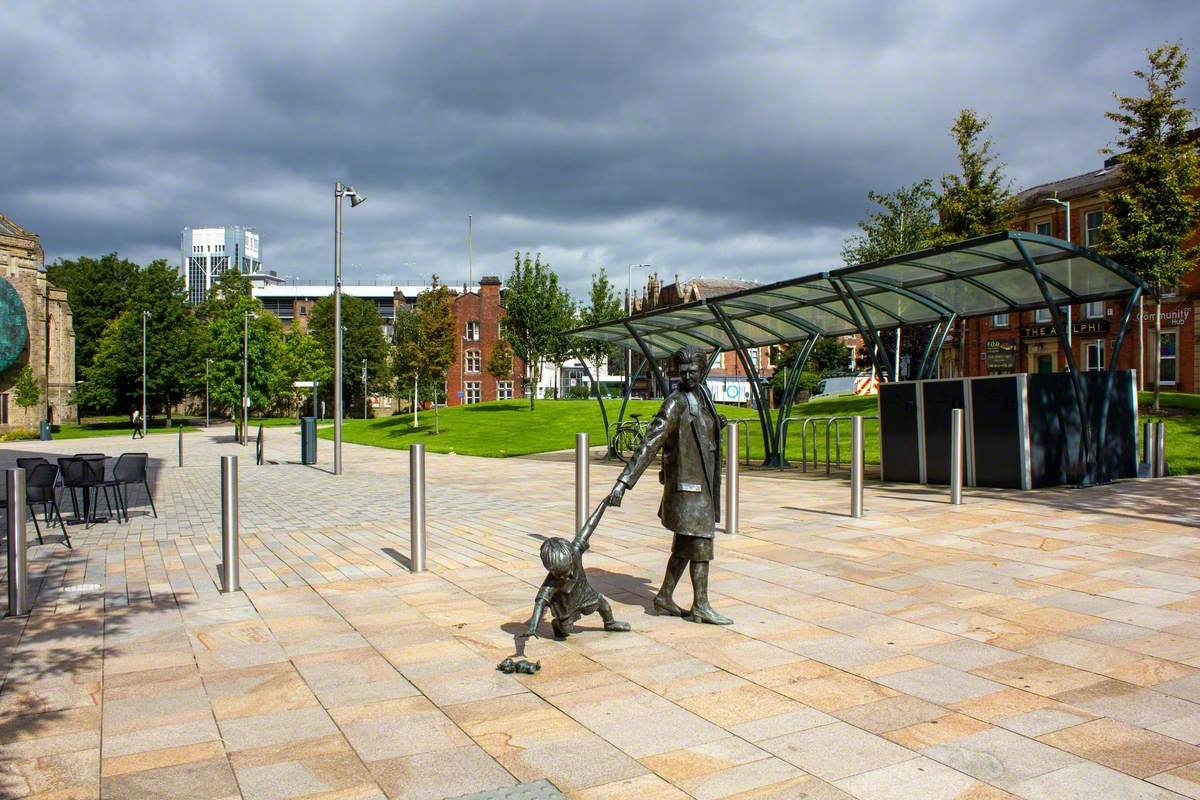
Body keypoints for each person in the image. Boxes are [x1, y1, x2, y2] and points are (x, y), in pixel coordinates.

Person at [608, 345, 732, 624]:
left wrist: (714, 424)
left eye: (694, 370)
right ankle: (701, 605)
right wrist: (624, 482)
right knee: (702, 542)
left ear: (702, 371)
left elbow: (698, 430)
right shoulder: (675, 403)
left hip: (702, 483)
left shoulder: (703, 395)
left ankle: (664, 596)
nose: (688, 375)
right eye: (684, 370)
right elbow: (650, 442)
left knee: (683, 546)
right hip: (688, 489)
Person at [524, 502, 630, 639]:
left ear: (571, 558)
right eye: (560, 575)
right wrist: (533, 628)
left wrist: (604, 504)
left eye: (567, 570)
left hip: (584, 592)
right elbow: (539, 604)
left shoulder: (575, 551)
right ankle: (558, 624)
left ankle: (610, 623)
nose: (567, 575)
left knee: (603, 604)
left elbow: (590, 525)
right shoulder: (550, 583)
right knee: (566, 629)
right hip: (566, 604)